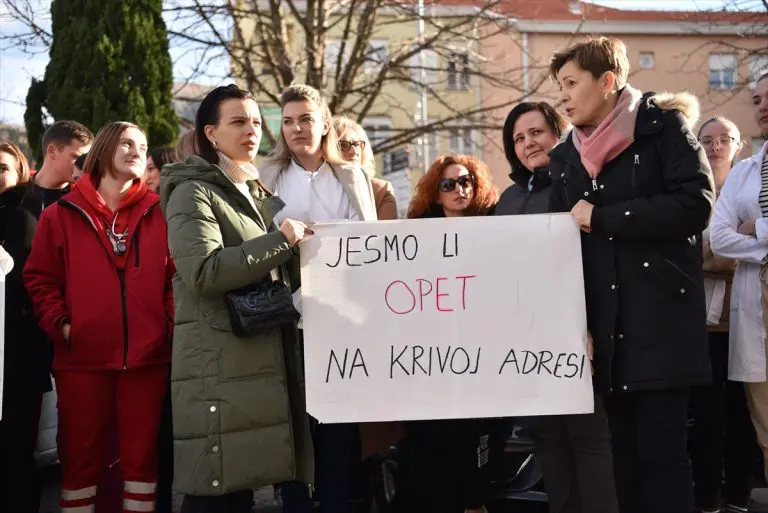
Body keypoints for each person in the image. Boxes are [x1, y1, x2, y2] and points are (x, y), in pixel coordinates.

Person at [547, 37, 714, 513]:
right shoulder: (565, 158)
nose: (563, 95)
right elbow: (561, 251)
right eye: (560, 85)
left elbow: (696, 205)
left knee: (663, 458)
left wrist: (606, 218)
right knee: (625, 461)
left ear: (607, 82)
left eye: (571, 83)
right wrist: (576, 326)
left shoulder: (665, 130)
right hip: (606, 334)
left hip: (661, 324)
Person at [160, 84, 314, 513]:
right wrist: (280, 242)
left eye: (257, 122)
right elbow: (204, 272)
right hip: (218, 360)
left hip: (247, 357)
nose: (252, 130)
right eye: (239, 122)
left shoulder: (248, 189)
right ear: (211, 133)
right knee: (215, 492)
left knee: (239, 485)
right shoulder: (193, 192)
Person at [23, 121, 174, 513]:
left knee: (141, 465)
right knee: (79, 464)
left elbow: (175, 280)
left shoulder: (162, 212)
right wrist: (64, 327)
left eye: (142, 144)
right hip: (81, 361)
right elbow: (40, 279)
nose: (137, 150)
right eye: (126, 142)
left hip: (147, 360)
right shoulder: (60, 214)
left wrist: (166, 330)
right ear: (104, 149)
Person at [496, 102, 619, 513]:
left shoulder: (581, 184)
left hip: (581, 334)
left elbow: (595, 262)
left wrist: (586, 327)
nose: (528, 143)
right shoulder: (508, 199)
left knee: (589, 439)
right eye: (518, 138)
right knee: (548, 440)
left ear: (558, 132)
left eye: (536, 132)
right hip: (528, 340)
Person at [260, 85, 377, 513]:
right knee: (292, 424)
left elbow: (370, 244)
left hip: (340, 318)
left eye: (305, 119)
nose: (296, 128)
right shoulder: (264, 176)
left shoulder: (352, 175)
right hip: (284, 316)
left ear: (324, 123)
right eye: (287, 121)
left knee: (337, 429)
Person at [399, 154, 497, 513]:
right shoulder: (414, 237)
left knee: (475, 451)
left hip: (481, 365)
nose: (460, 189)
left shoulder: (498, 228)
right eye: (449, 184)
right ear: (435, 194)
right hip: (430, 370)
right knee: (431, 451)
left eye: (467, 180)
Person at [689, 116, 758, 513]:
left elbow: (728, 255)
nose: (715, 146)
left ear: (740, 145)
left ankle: (739, 500)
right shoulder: (690, 193)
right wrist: (739, 239)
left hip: (748, 319)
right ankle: (707, 502)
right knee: (709, 420)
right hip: (704, 324)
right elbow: (703, 255)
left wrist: (725, 248)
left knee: (745, 419)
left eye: (724, 139)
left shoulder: (749, 191)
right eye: (707, 139)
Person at [710, 71, 768, 490]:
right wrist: (742, 232)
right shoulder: (746, 172)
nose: (761, 106)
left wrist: (758, 229)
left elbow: (739, 237)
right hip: (755, 299)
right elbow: (720, 238)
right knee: (764, 423)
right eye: (756, 99)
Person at [0, 141, 49, 513]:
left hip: (18, 351)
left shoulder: (25, 211)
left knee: (16, 451)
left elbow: (24, 276)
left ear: (20, 171)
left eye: (2, 167)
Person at [333, 115, 398, 220]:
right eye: (343, 145)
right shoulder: (314, 185)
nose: (354, 151)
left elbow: (386, 234)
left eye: (357, 144)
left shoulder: (380, 190)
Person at [33, 120, 93, 206]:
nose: (84, 164)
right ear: (52, 152)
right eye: (77, 157)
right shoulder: (15, 196)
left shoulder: (85, 201)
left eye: (87, 159)